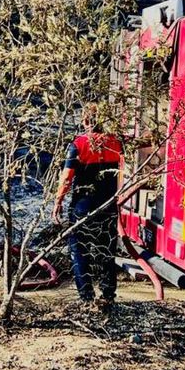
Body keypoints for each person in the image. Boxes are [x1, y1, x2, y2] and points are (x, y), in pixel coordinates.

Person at [52, 106, 122, 310]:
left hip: (82, 206)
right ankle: (108, 295)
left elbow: (66, 177)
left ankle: (87, 298)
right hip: (108, 206)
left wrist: (58, 202)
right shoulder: (115, 143)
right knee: (106, 251)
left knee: (79, 250)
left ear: (85, 122)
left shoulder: (78, 144)